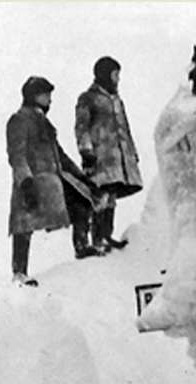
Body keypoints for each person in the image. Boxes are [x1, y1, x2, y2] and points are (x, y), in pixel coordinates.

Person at [6, 76, 99, 286]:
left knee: (82, 201)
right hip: (33, 180)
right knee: (24, 226)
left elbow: (61, 156)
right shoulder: (19, 120)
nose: (50, 99)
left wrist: (80, 177)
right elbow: (17, 155)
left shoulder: (43, 121)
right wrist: (26, 182)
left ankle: (82, 247)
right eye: (46, 94)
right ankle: (19, 273)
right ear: (33, 96)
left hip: (54, 181)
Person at [75, 56, 143, 254]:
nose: (117, 79)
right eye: (115, 75)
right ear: (105, 75)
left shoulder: (116, 100)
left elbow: (125, 129)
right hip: (100, 156)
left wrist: (132, 153)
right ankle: (97, 239)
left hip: (118, 157)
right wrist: (86, 150)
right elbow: (81, 127)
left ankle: (106, 235)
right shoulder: (88, 98)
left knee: (112, 195)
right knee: (100, 196)